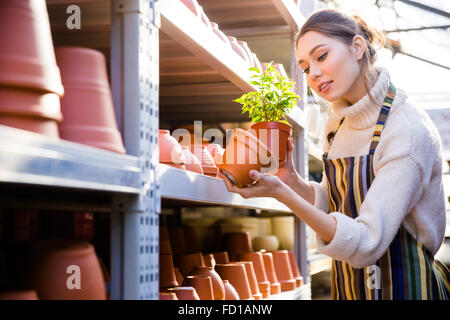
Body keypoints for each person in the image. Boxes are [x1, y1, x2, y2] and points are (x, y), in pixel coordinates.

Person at [218, 9, 450, 300]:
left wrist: (282, 195)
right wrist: (291, 181)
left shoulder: (406, 129)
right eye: (305, 67)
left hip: (404, 287)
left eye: (321, 56)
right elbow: (334, 203)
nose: (313, 74)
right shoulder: (338, 122)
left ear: (357, 47)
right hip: (350, 288)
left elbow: (367, 241)